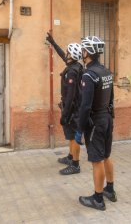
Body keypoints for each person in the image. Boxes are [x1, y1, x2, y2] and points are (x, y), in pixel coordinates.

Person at [75, 36, 117, 211]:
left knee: (96, 160)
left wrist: (79, 129)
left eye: (83, 50)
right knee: (106, 155)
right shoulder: (106, 71)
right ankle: (110, 189)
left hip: (95, 122)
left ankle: (98, 199)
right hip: (107, 118)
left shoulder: (88, 75)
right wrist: (110, 117)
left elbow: (85, 106)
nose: (82, 53)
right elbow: (112, 98)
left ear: (87, 52)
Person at [46, 32, 83, 175]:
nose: (66, 54)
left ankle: (75, 164)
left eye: (68, 52)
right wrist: (53, 43)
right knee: (70, 135)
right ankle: (70, 156)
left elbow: (71, 96)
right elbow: (63, 56)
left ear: (72, 55)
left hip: (73, 109)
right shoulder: (75, 65)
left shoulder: (73, 72)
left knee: (74, 136)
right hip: (72, 108)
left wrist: (65, 114)